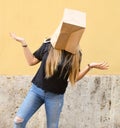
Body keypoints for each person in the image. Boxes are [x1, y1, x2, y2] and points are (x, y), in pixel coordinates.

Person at [10, 8, 109, 128]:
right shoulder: (48, 45)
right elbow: (31, 61)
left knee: (52, 126)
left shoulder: (76, 54)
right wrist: (24, 43)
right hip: (36, 91)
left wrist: (89, 66)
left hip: (55, 96)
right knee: (18, 120)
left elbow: (74, 78)